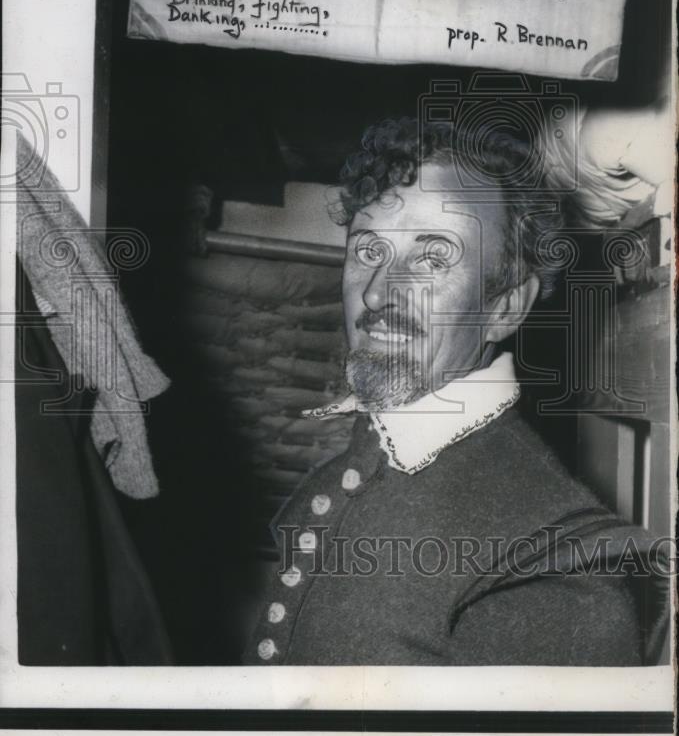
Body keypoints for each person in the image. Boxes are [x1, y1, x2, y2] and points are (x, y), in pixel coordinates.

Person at [243, 118, 668, 666]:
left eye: (434, 257)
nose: (376, 294)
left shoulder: (545, 568)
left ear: (504, 307)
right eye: (369, 251)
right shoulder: (341, 476)